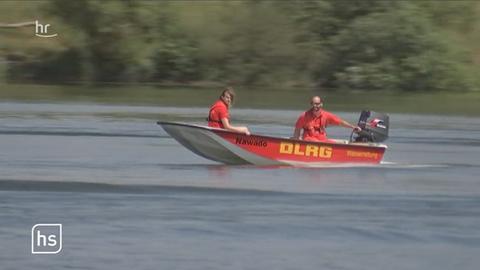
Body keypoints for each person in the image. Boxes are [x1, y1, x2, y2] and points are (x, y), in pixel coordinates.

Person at [292, 96, 361, 142]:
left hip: (323, 141)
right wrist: (296, 141)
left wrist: (353, 127)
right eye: (313, 104)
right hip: (309, 141)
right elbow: (297, 130)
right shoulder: (304, 116)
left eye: (317, 104)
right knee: (316, 142)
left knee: (334, 145)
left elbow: (340, 122)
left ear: (321, 104)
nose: (314, 106)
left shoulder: (326, 115)